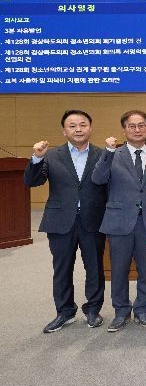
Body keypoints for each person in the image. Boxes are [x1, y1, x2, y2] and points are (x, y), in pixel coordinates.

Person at [24, 110, 108, 333]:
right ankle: (64, 311)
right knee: (62, 268)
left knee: (95, 267)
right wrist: (37, 158)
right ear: (64, 131)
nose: (78, 129)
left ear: (90, 128)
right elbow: (32, 181)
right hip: (60, 221)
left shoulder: (103, 154)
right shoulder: (51, 155)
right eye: (72, 126)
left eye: (83, 124)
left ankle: (93, 309)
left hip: (93, 220)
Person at [92, 110, 146, 332]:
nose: (137, 130)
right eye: (132, 126)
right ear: (124, 129)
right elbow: (98, 178)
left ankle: (142, 309)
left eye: (141, 125)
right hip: (119, 221)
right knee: (119, 270)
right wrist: (108, 152)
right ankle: (121, 311)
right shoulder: (112, 154)